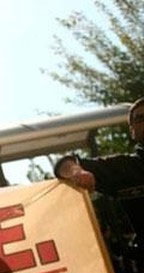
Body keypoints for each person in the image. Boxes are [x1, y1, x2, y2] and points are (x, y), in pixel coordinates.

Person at [55, 97, 144, 238]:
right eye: (140, 118)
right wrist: (77, 172)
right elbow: (64, 164)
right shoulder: (125, 167)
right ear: (132, 130)